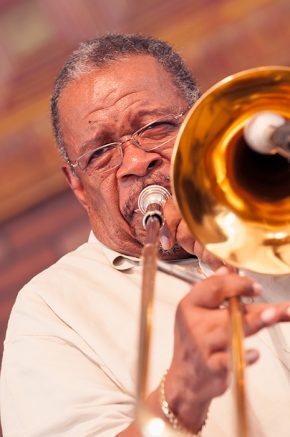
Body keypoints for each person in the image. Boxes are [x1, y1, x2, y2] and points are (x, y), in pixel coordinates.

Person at [1, 34, 290, 437]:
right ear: (78, 185)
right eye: (101, 153)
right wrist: (182, 393)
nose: (136, 161)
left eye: (155, 127)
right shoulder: (50, 311)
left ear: (200, 119)